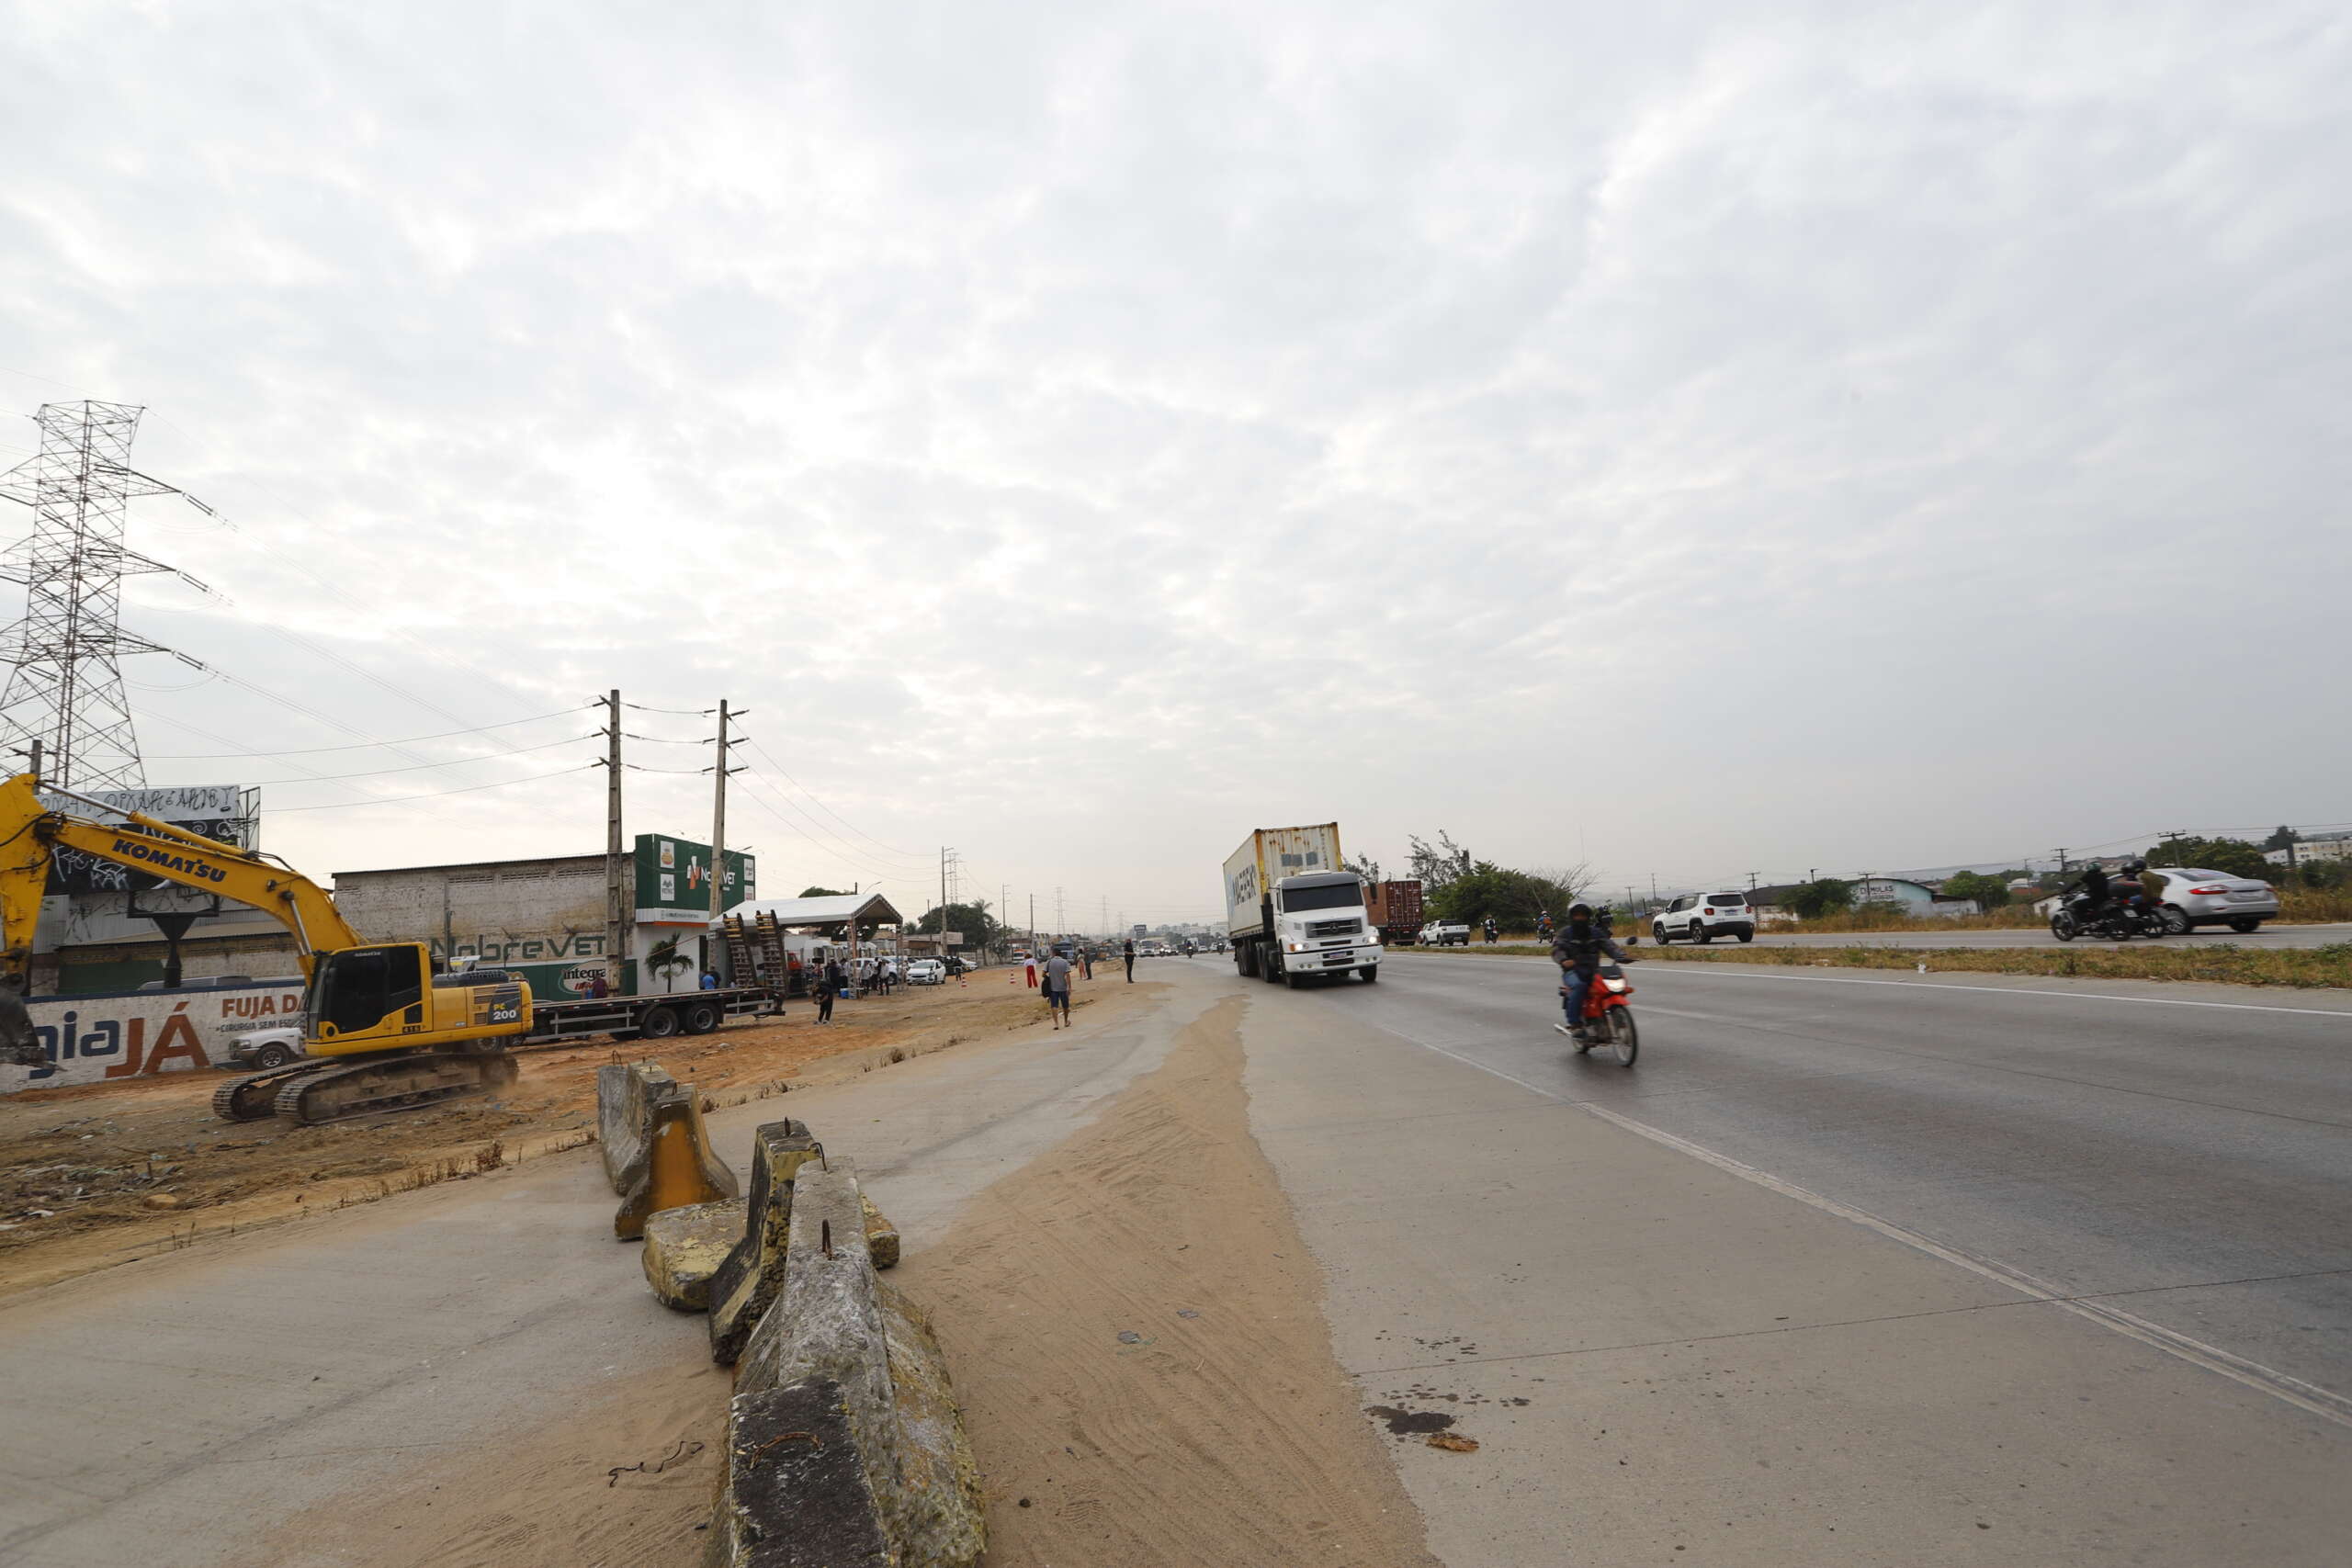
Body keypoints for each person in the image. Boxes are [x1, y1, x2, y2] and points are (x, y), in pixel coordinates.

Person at [1550, 902, 1632, 1042]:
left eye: (1583, 915)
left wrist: (1621, 956)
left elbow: (1609, 945)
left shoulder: (1595, 932)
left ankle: (1603, 1019)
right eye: (1577, 915)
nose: (1580, 918)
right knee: (1579, 986)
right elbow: (1557, 949)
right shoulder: (1565, 933)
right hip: (1572, 971)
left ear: (1588, 917)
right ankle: (1575, 1024)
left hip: (1593, 970)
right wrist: (1564, 960)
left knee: (1608, 988)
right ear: (1572, 917)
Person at [1043, 947, 1074, 1029]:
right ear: (1060, 954)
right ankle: (1066, 1022)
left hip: (1053, 988)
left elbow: (1043, 974)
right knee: (1065, 1006)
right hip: (1063, 988)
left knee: (1054, 1006)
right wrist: (1069, 987)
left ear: (1053, 953)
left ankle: (1056, 1024)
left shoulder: (1049, 962)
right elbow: (1068, 976)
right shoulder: (1065, 962)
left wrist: (1050, 977)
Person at [817, 956, 842, 1023]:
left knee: (828, 1007)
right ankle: (819, 1020)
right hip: (832, 983)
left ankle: (826, 1020)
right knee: (822, 1008)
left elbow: (826, 997)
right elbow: (816, 996)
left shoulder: (825, 989)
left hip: (829, 994)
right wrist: (817, 1001)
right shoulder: (831, 969)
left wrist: (820, 1001)